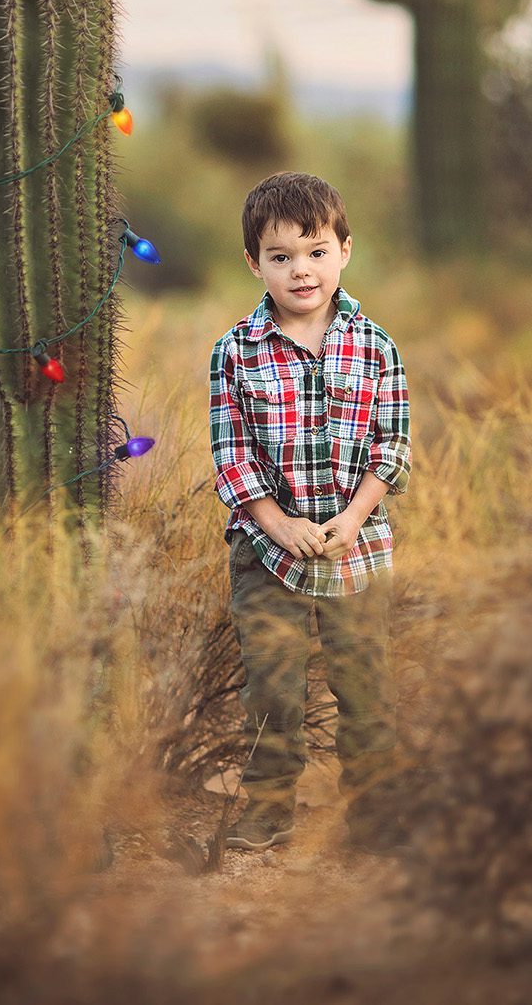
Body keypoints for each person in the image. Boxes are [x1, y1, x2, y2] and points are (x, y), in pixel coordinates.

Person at [207, 171, 412, 854]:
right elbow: (232, 455)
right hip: (268, 552)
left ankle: (377, 815)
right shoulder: (235, 352)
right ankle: (267, 811)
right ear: (253, 263)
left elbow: (392, 446)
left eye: (316, 251)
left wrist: (353, 518)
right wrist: (279, 524)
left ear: (345, 251)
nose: (302, 270)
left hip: (358, 542)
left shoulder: (375, 346)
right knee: (272, 690)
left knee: (365, 686)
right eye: (281, 256)